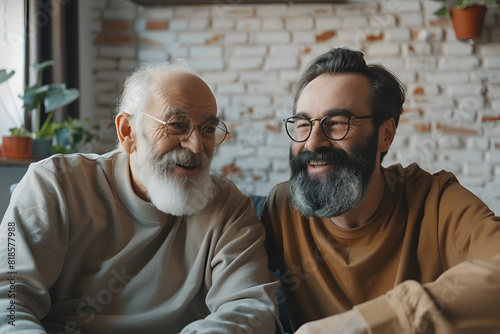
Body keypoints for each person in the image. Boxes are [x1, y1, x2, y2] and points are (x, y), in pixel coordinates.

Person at [0, 59, 281, 333]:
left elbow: (251, 309)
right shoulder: (54, 184)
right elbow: (9, 299)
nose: (196, 146)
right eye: (177, 125)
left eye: (207, 129)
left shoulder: (229, 207)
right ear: (128, 132)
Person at [262, 47, 500, 334]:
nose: (313, 142)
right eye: (303, 124)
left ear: (385, 134)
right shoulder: (282, 208)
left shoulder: (434, 200)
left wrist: (362, 323)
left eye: (336, 123)